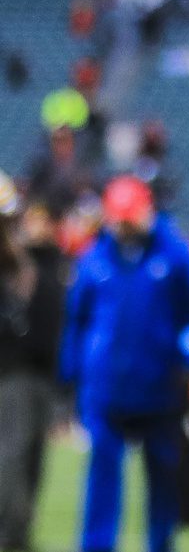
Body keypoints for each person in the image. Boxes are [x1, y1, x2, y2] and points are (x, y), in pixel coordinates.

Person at [62, 177, 189, 552]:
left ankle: (160, 544)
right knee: (101, 479)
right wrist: (71, 374)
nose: (125, 226)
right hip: (106, 389)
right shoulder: (96, 259)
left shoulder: (174, 255)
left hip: (161, 389)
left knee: (163, 477)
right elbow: (77, 320)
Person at [0, 183, 63, 552]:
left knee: (32, 456)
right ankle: (9, 534)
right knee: (12, 454)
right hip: (11, 371)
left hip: (39, 371)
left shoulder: (36, 260)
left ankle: (18, 531)